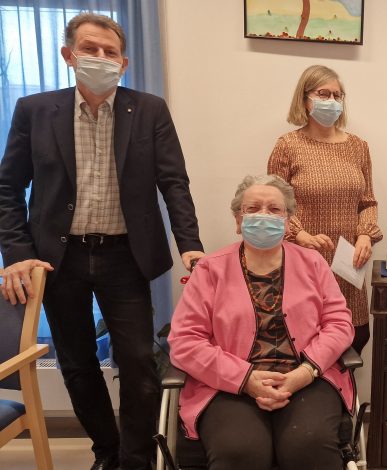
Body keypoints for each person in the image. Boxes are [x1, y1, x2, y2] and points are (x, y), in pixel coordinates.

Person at [0, 13, 204, 470]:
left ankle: (135, 461)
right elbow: (6, 189)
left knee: (137, 363)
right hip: (58, 260)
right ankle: (106, 452)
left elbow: (174, 183)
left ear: (125, 62)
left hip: (125, 258)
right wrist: (17, 254)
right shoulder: (35, 110)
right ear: (68, 55)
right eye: (89, 49)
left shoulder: (149, 109)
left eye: (110, 52)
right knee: (76, 363)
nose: (100, 58)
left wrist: (189, 242)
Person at [169, 174, 355, 470]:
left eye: (274, 209)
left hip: (306, 378)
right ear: (237, 219)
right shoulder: (209, 270)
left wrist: (304, 373)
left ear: (288, 219)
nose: (263, 216)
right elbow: (184, 341)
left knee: (307, 443)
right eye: (252, 209)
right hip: (228, 384)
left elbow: (339, 323)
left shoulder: (313, 263)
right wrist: (245, 379)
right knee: (240, 451)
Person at [268, 64, 381, 354]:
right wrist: (300, 235)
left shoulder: (358, 147)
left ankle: (345, 400)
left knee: (355, 339)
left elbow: (367, 202)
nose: (332, 101)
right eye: (323, 94)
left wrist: (366, 236)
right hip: (303, 263)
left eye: (338, 95)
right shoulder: (287, 146)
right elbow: (273, 205)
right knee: (306, 343)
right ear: (305, 99)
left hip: (348, 265)